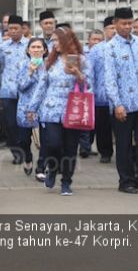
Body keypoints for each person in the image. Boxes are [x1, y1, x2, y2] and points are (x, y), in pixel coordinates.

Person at [28, 27, 91, 196]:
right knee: (53, 144)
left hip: (73, 109)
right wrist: (32, 108)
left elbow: (89, 87)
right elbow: (42, 86)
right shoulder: (50, 61)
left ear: (68, 41)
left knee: (70, 147)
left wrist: (77, 73)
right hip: (51, 109)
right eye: (53, 41)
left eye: (57, 40)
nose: (54, 44)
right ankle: (52, 169)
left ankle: (66, 182)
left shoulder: (81, 60)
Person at [104, 7, 138, 194]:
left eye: (130, 24)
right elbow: (110, 79)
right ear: (115, 24)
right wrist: (117, 103)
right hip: (124, 105)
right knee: (124, 145)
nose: (128, 27)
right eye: (124, 24)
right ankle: (125, 181)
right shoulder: (110, 48)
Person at [0, 15, 29, 164]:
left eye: (16, 28)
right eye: (10, 28)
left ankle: (25, 149)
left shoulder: (30, 45)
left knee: (23, 123)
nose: (13, 31)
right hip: (8, 91)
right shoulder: (2, 47)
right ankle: (16, 153)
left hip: (26, 91)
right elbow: (0, 67)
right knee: (10, 123)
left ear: (23, 29)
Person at [17, 38, 49, 177]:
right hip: (25, 107)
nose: (36, 50)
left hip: (45, 107)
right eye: (33, 47)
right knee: (23, 139)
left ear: (45, 50)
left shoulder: (50, 65)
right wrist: (30, 72)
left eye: (39, 47)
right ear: (28, 50)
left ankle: (41, 167)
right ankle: (28, 157)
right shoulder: (22, 65)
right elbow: (20, 86)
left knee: (46, 140)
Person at [87, 17, 116, 164]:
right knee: (103, 126)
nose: (114, 31)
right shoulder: (97, 50)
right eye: (111, 28)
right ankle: (105, 152)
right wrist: (90, 91)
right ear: (105, 30)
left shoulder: (126, 47)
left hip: (121, 97)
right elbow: (89, 72)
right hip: (101, 95)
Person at [78, 29, 104, 158]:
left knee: (94, 121)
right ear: (89, 40)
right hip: (83, 91)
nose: (97, 42)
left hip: (98, 93)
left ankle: (88, 145)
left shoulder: (104, 53)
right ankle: (84, 146)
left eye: (100, 40)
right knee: (84, 119)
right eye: (94, 39)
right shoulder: (82, 53)